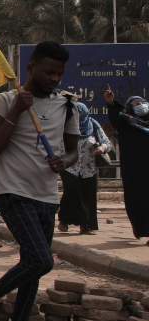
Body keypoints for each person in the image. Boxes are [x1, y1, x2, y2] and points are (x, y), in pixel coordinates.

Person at [0, 42, 79, 321]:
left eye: (59, 73)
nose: (54, 78)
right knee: (41, 260)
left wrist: (65, 161)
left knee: (33, 269)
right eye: (48, 72)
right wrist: (17, 109)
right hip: (14, 193)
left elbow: (74, 150)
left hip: (47, 195)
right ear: (31, 68)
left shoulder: (68, 106)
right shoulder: (3, 101)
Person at [57, 101, 111, 235]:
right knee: (71, 194)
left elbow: (107, 143)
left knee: (88, 196)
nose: (78, 117)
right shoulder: (65, 125)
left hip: (89, 168)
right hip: (69, 167)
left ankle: (85, 226)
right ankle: (64, 220)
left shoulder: (93, 124)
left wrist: (101, 148)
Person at [103, 86, 149, 239]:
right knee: (137, 202)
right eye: (135, 104)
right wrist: (110, 103)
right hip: (133, 172)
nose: (140, 106)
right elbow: (116, 117)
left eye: (141, 103)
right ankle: (139, 227)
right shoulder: (126, 123)